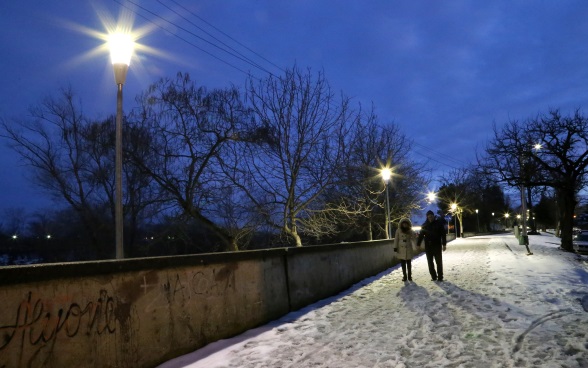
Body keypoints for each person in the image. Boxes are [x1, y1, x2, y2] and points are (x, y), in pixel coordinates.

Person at [417, 210, 447, 281]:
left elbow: (443, 234)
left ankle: (440, 277)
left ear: (433, 216)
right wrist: (418, 244)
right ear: (427, 217)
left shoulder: (439, 224)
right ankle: (433, 276)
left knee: (438, 262)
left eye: (431, 216)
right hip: (428, 246)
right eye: (429, 216)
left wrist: (444, 244)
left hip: (437, 245)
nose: (430, 217)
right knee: (430, 263)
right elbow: (421, 235)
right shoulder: (424, 225)